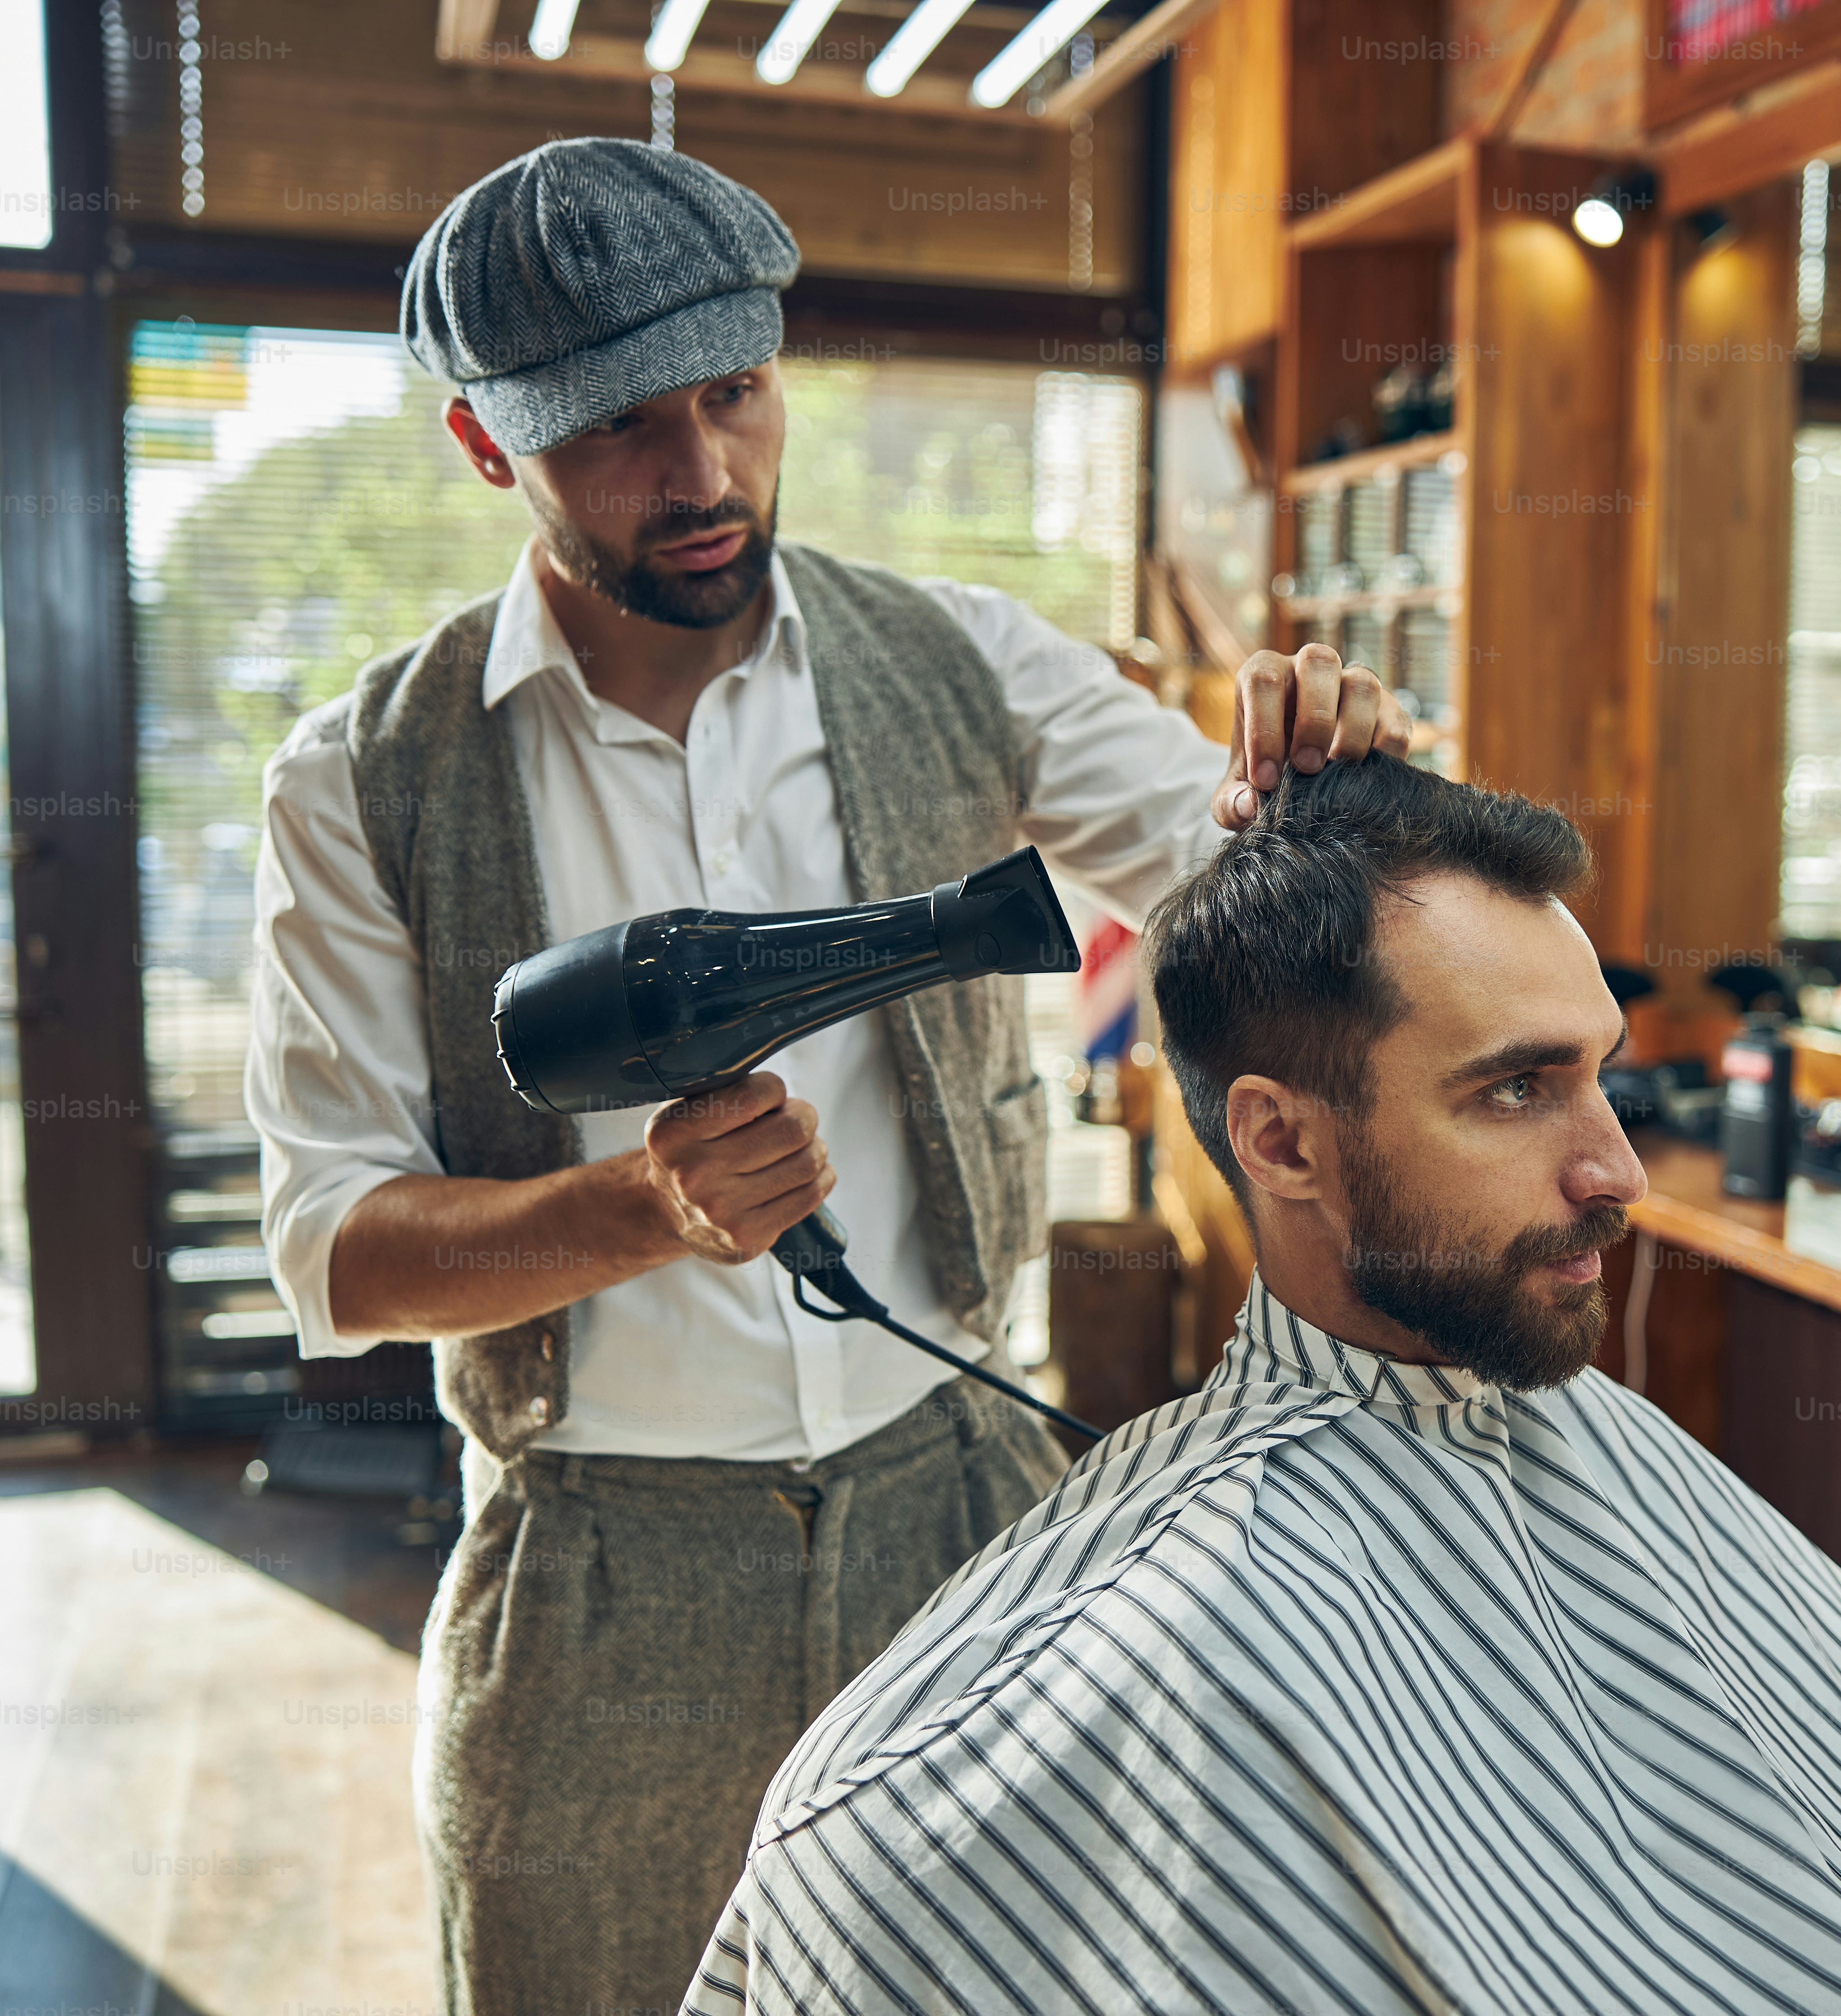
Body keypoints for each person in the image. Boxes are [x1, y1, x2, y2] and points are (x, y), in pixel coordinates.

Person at [679, 755, 1841, 2016]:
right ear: (1283, 1138)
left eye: (1600, 1069)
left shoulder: (1566, 1427)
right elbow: (857, 1883)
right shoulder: (1164, 1630)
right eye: (1517, 1089)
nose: (1619, 1167)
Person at [244, 138, 1406, 2016]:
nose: (700, 476)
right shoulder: (361, 778)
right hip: (599, 1587)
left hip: (961, 1517)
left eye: (734, 395)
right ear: (484, 447)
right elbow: (337, 1250)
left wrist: (1345, 787)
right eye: (620, 429)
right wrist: (637, 1210)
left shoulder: (958, 662)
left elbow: (1271, 896)